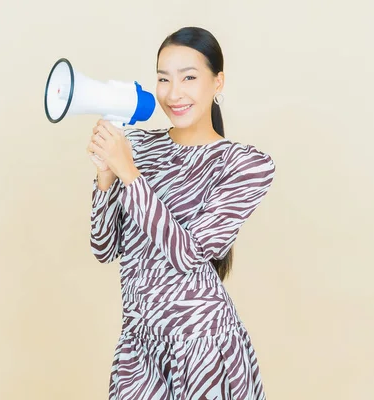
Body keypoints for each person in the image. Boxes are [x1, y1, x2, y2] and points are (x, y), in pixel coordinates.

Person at [86, 26, 275, 400]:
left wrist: (128, 173)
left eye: (189, 77)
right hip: (139, 344)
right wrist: (105, 176)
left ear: (217, 82)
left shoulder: (245, 164)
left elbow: (188, 254)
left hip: (202, 347)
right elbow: (104, 248)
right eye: (163, 79)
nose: (174, 93)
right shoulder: (137, 145)